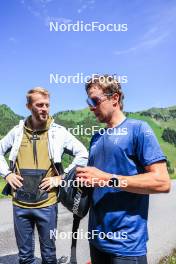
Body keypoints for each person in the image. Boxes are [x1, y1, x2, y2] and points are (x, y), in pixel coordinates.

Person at [76, 75, 170, 264]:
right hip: (96, 241)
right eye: (88, 101)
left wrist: (107, 179)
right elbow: (96, 181)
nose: (91, 107)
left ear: (115, 98)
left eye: (94, 100)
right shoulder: (96, 138)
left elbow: (162, 182)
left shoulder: (139, 130)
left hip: (126, 248)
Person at [0, 87, 88, 264]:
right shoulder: (17, 132)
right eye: (39, 105)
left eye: (47, 105)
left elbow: (83, 154)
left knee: (49, 255)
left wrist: (61, 178)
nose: (44, 109)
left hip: (47, 204)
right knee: (25, 257)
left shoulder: (58, 132)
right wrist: (7, 174)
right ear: (28, 106)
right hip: (20, 204)